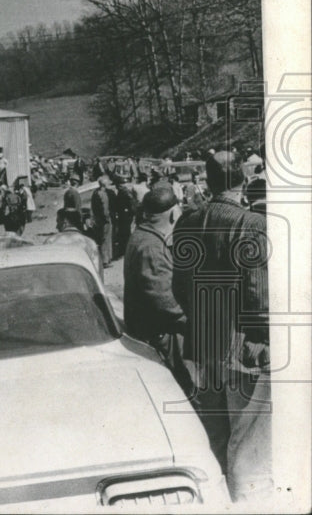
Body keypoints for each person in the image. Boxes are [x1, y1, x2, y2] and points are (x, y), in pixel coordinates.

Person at [172, 151, 271, 502]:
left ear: (209, 182)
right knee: (246, 443)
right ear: (242, 181)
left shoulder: (187, 221)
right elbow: (258, 297)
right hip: (240, 347)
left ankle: (216, 502)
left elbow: (179, 286)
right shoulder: (251, 224)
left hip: (201, 343)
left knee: (214, 434)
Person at [123, 185, 190, 392]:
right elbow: (165, 301)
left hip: (151, 332)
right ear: (172, 215)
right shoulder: (152, 247)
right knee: (182, 388)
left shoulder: (143, 235)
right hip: (161, 336)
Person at [43, 209, 100, 273]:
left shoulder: (51, 241)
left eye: (58, 222)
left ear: (65, 222)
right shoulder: (90, 243)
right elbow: (96, 273)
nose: (57, 227)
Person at [112, 175, 138, 260]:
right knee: (123, 232)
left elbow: (131, 204)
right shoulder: (123, 191)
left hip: (125, 215)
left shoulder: (125, 192)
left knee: (125, 233)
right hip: (123, 214)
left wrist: (129, 212)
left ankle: (125, 250)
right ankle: (124, 249)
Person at [90, 176, 114, 269]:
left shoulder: (95, 192)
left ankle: (104, 258)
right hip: (104, 220)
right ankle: (105, 260)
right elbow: (105, 209)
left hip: (98, 219)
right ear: (105, 184)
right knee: (105, 239)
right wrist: (107, 218)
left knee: (101, 238)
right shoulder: (103, 194)